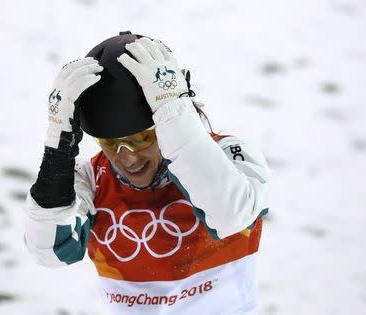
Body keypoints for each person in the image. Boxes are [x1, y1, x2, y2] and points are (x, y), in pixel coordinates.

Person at [24, 31, 271, 315]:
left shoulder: (230, 154)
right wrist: (57, 151)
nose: (126, 157)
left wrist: (174, 110)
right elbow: (49, 250)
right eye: (110, 143)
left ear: (167, 124)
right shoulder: (91, 179)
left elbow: (230, 214)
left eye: (141, 138)